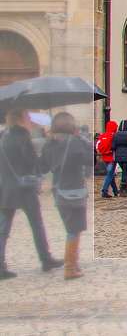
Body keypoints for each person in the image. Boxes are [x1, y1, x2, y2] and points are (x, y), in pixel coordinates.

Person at [0, 108, 63, 278]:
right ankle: (45, 259)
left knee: (3, 228)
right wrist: (50, 147)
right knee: (37, 225)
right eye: (27, 119)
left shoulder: (4, 138)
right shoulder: (23, 139)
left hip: (6, 188)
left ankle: (0, 266)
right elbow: (37, 165)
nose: (29, 122)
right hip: (25, 189)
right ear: (20, 121)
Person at [41, 112, 90, 279]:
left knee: (71, 228)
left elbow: (43, 167)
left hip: (59, 190)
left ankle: (73, 264)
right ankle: (70, 267)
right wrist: (86, 142)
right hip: (75, 189)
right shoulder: (75, 142)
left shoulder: (49, 144)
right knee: (73, 229)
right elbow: (90, 160)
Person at [111, 120, 127, 197]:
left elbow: (113, 146)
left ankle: (125, 189)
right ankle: (123, 189)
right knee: (124, 172)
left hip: (118, 155)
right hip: (126, 155)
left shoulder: (116, 135)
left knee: (124, 171)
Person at [97, 121, 118, 198]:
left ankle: (115, 190)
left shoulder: (102, 135)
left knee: (111, 174)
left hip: (104, 157)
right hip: (112, 157)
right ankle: (104, 190)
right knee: (109, 174)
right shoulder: (114, 135)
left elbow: (97, 146)